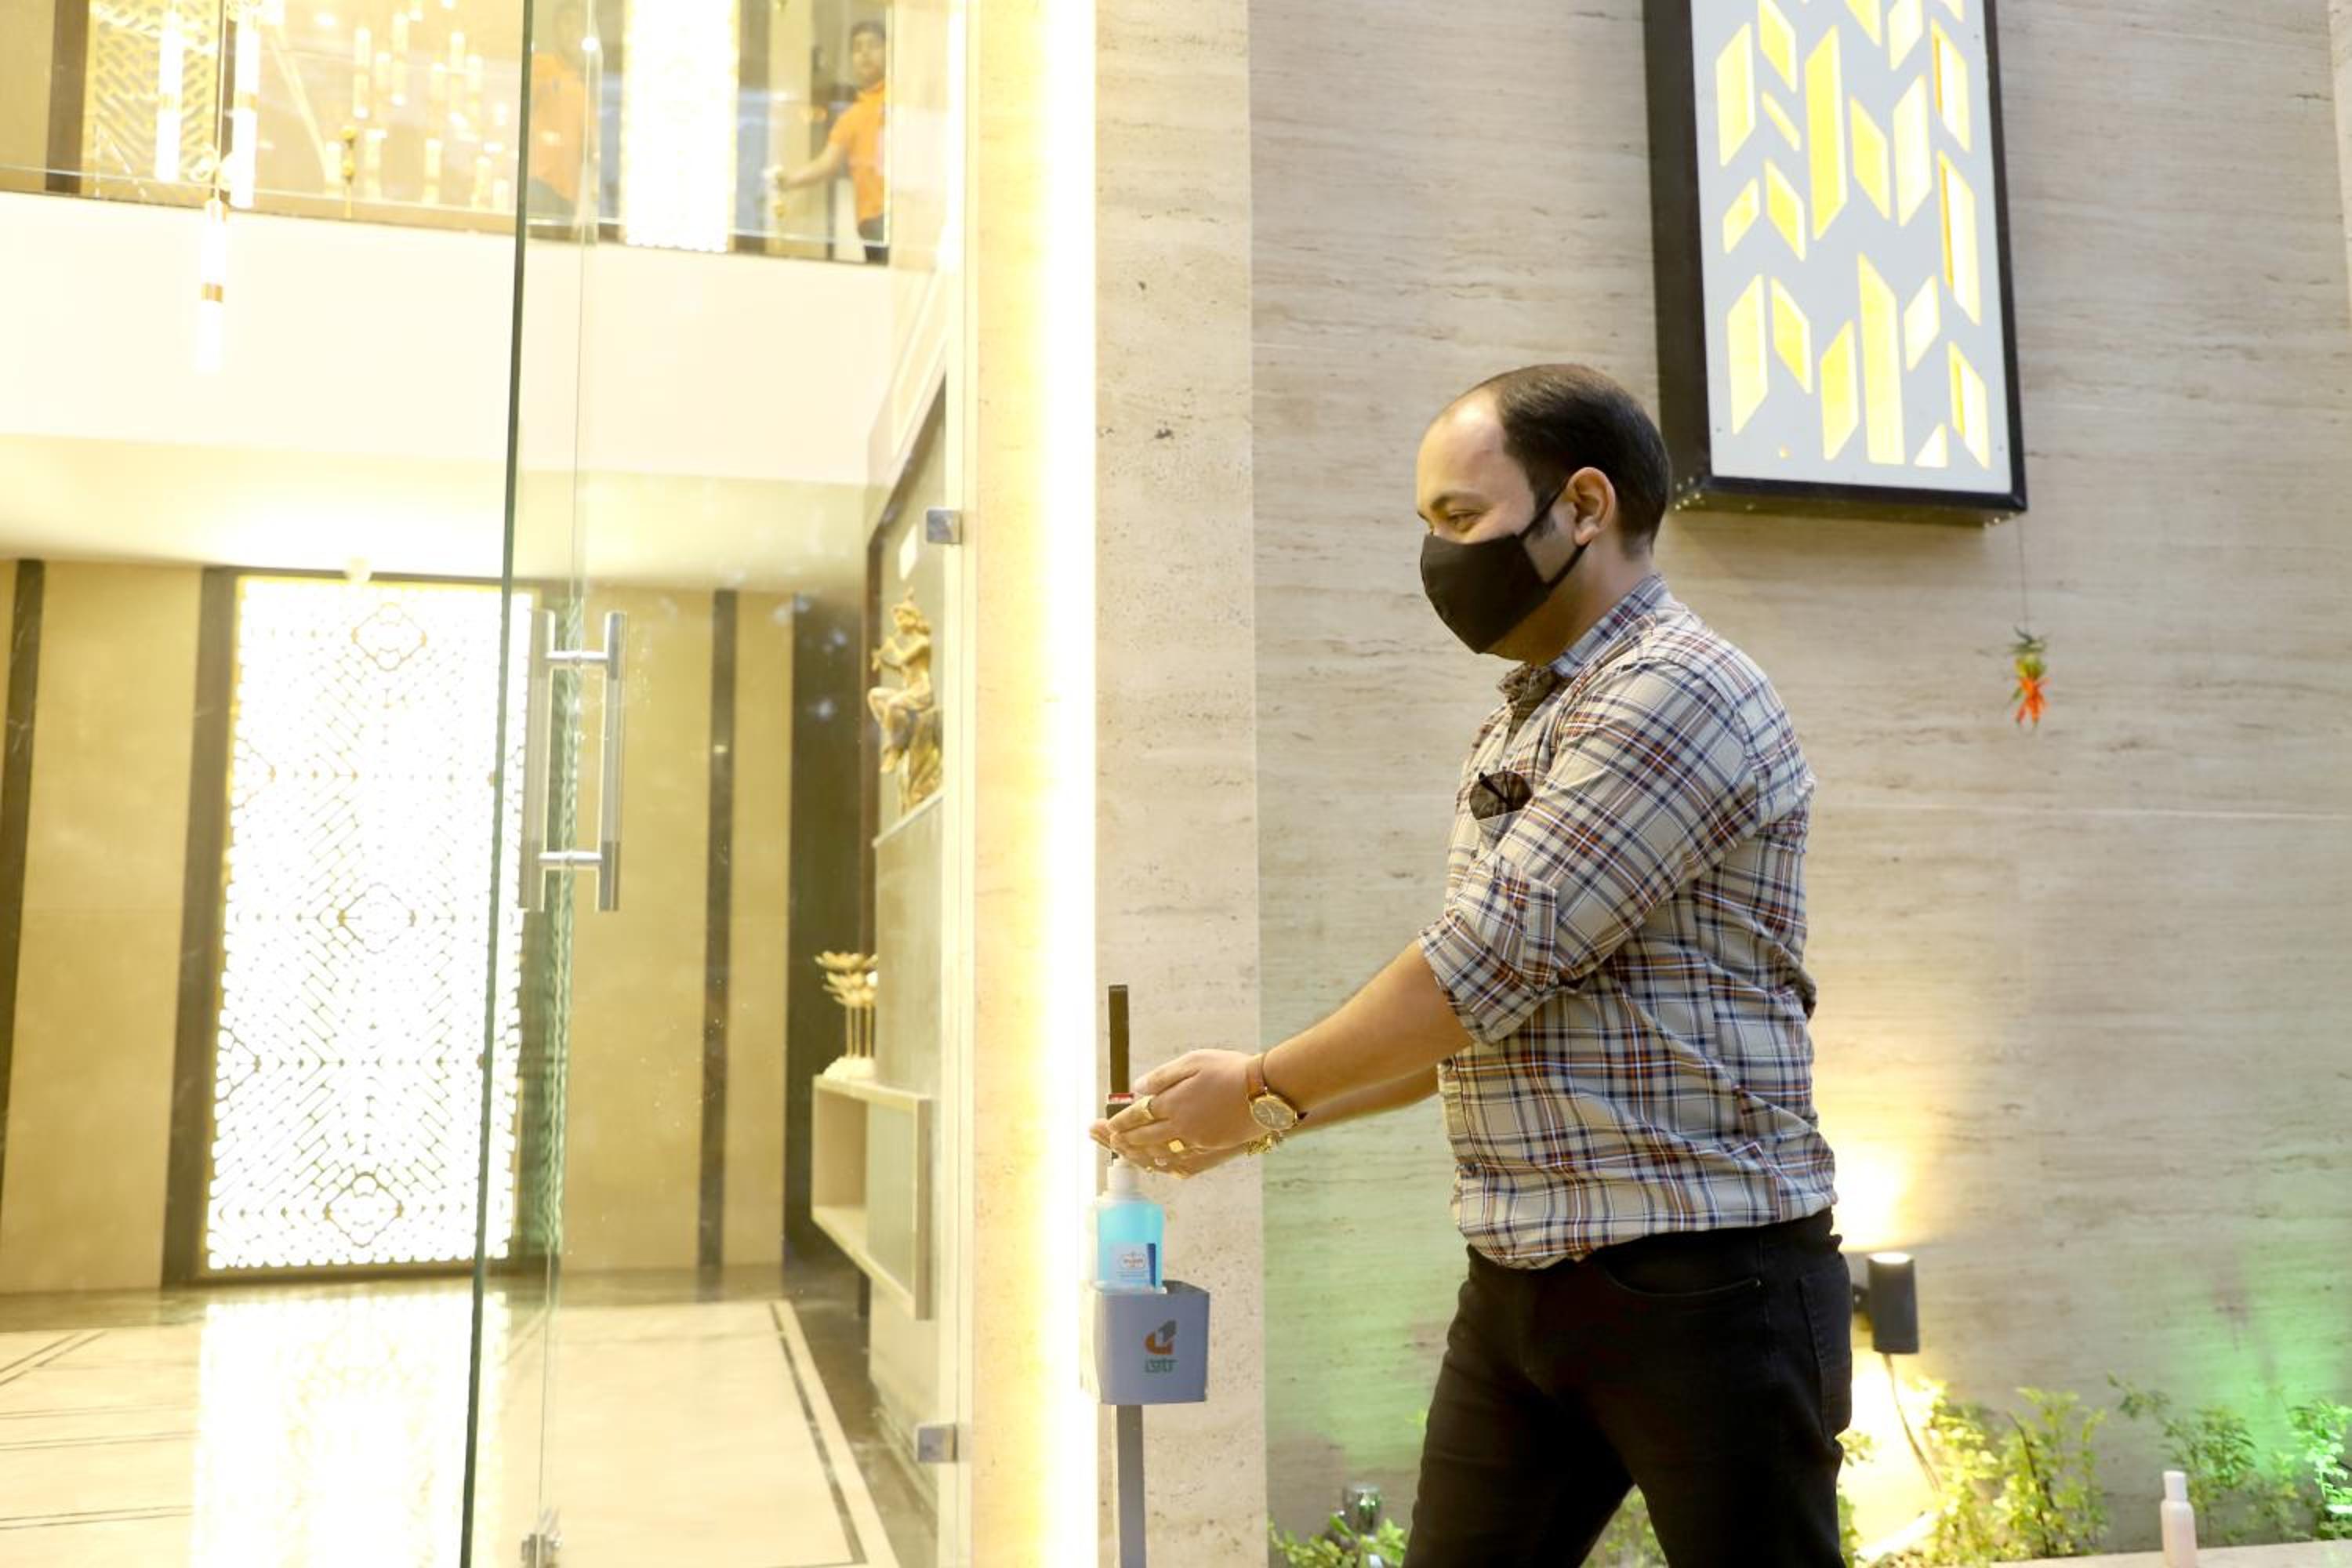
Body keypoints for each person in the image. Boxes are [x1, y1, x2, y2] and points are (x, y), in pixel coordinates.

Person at [1094, 365, 1849, 1566]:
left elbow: (1482, 964)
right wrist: (1268, 1109)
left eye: (1460, 517)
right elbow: (1482, 1014)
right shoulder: (1524, 716)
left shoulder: (1678, 690)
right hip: (1519, 1280)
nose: (1439, 556)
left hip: (1706, 1279)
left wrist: (1259, 1088)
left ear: (1584, 505)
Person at [773, 18, 888, 263]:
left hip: (904, 214)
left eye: (873, 45)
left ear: (889, 51)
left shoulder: (900, 100)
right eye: (858, 48)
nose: (865, 53)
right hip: (872, 221)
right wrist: (788, 180)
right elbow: (827, 163)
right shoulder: (851, 117)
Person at [525, 2, 590, 227]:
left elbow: (589, 146)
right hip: (541, 182)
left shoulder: (583, 85)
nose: (572, 31)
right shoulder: (541, 66)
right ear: (556, 29)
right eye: (567, 22)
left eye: (578, 25)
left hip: (569, 195)